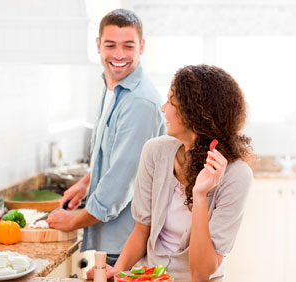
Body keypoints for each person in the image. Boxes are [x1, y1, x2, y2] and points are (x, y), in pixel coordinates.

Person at [87, 64, 254, 281]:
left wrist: (200, 195)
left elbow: (202, 273)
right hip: (148, 276)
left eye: (171, 101)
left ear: (193, 114)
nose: (163, 108)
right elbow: (141, 231)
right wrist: (118, 270)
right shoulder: (155, 152)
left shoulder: (236, 175)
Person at [47, 9, 165, 266]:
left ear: (142, 46)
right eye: (111, 45)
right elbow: (110, 153)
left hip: (127, 244)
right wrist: (86, 183)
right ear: (98, 45)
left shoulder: (139, 102)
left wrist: (73, 221)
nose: (119, 55)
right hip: (113, 239)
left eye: (128, 46)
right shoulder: (113, 87)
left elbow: (120, 184)